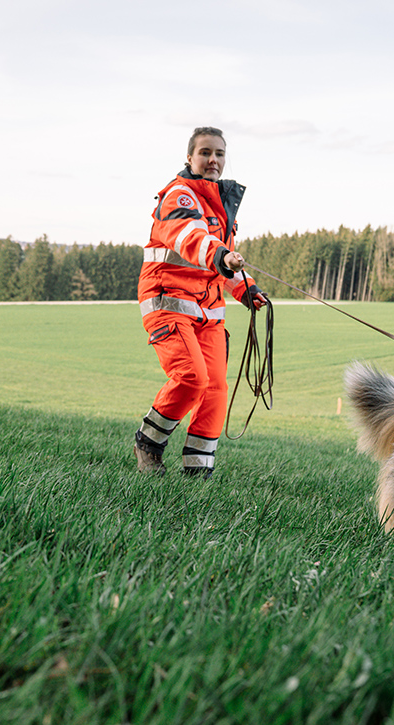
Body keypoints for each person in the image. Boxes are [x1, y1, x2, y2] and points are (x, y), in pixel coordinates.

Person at [133, 126, 268, 478]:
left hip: (208, 311)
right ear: (189, 158)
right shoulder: (179, 196)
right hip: (168, 301)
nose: (213, 160)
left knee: (216, 388)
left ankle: (198, 473)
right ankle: (148, 444)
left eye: (219, 154)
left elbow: (223, 265)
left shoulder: (221, 204)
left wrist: (246, 290)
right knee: (192, 378)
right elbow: (191, 239)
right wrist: (223, 255)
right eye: (205, 152)